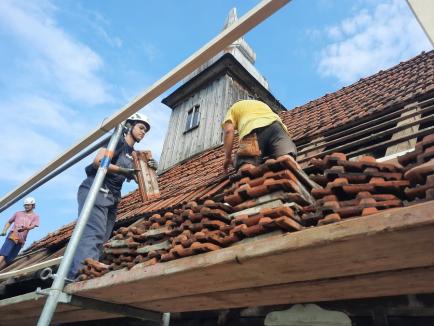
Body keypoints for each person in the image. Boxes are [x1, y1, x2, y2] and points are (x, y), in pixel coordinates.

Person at [68, 113, 158, 279]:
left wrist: (150, 168)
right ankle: (78, 275)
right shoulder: (117, 142)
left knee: (103, 236)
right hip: (96, 189)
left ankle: (85, 270)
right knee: (93, 231)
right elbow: (99, 161)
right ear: (129, 126)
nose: (143, 132)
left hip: (112, 197)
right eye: (141, 128)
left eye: (145, 130)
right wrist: (124, 171)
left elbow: (141, 180)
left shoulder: (135, 156)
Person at [222, 99, 297, 173]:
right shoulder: (261, 103)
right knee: (286, 158)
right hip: (277, 128)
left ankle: (254, 168)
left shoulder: (233, 108)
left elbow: (229, 131)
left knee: (246, 167)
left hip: (252, 129)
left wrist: (227, 158)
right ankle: (282, 158)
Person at [0, 197, 40, 270]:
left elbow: (33, 226)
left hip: (21, 239)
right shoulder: (18, 213)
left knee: (10, 258)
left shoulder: (35, 216)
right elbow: (10, 222)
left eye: (28, 205)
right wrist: (4, 230)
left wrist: (25, 228)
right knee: (4, 252)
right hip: (13, 234)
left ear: (33, 205)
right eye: (25, 205)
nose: (26, 206)